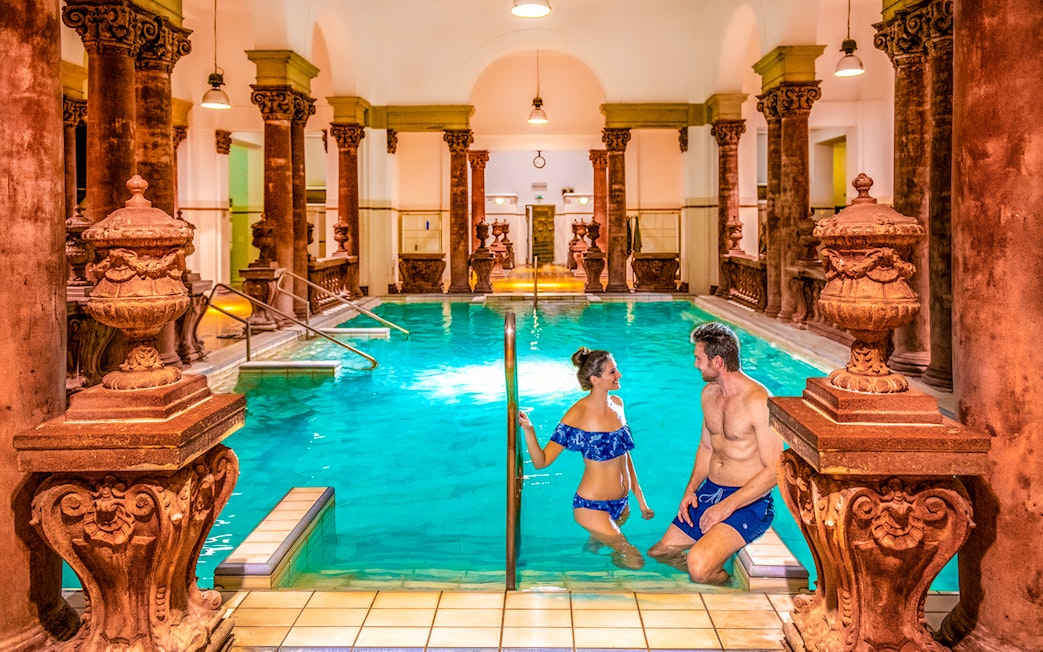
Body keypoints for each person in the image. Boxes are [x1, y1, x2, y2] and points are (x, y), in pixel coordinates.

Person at [648, 322, 782, 584]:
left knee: (698, 568)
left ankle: (727, 582)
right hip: (711, 491)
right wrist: (691, 490)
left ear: (717, 361)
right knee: (660, 553)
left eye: (699, 359)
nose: (696, 364)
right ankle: (713, 558)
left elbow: (776, 470)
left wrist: (726, 507)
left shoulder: (759, 401)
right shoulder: (709, 394)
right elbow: (707, 447)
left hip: (748, 501)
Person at [518, 347, 654, 569]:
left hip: (622, 507)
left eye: (616, 369)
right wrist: (529, 430)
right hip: (592, 507)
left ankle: (591, 549)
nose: (619, 375)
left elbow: (625, 456)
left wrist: (641, 501)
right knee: (635, 560)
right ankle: (596, 563)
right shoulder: (578, 413)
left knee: (599, 545)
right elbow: (541, 461)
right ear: (595, 379)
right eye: (612, 372)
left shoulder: (618, 404)